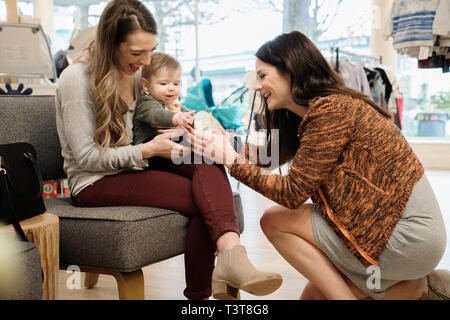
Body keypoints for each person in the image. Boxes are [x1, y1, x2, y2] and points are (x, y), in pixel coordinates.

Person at [187, 31, 449, 300]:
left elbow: (292, 193)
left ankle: (411, 287)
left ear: (290, 71)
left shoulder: (331, 110)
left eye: (263, 75)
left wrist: (229, 159)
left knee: (274, 220)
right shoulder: (314, 114)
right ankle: (417, 287)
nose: (256, 86)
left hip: (405, 233)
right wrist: (226, 141)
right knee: (314, 294)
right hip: (402, 230)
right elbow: (267, 157)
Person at [55, 0, 282, 300]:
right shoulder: (76, 80)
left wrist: (196, 123)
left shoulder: (136, 74)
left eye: (151, 50)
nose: (147, 61)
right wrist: (148, 151)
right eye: (137, 53)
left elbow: (155, 116)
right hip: (96, 180)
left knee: (208, 160)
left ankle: (231, 258)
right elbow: (85, 158)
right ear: (111, 43)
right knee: (206, 201)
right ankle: (204, 292)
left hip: (137, 163)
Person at [133, 52, 195, 145]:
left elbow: (183, 113)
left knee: (195, 141)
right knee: (188, 144)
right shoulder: (146, 102)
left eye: (176, 84)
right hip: (148, 144)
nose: (171, 88)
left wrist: (192, 119)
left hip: (166, 141)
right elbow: (156, 115)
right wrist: (176, 117)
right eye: (163, 83)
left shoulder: (172, 103)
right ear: (146, 85)